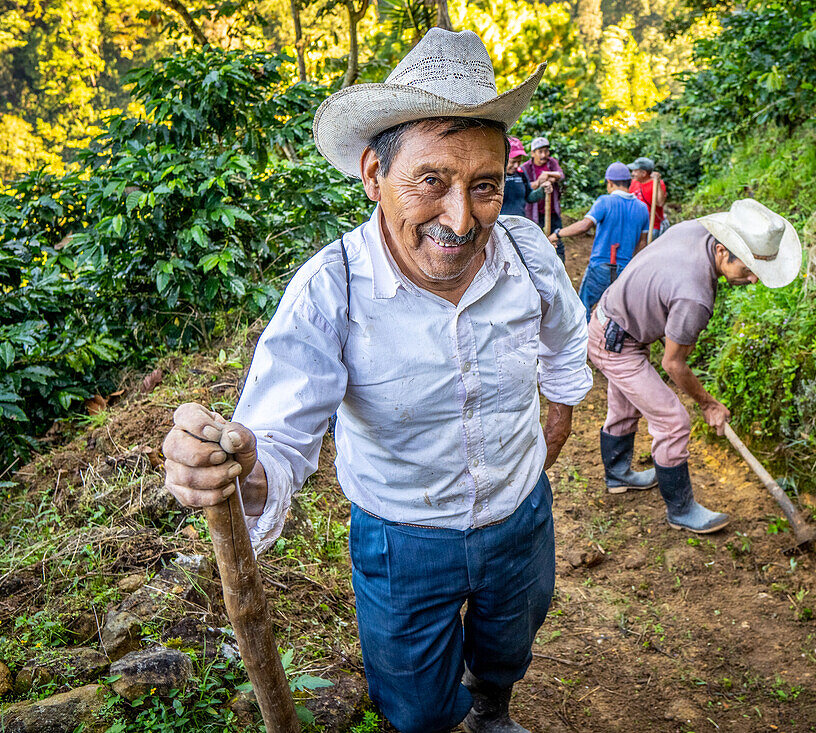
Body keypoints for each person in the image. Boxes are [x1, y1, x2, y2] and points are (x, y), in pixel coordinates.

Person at [161, 29, 591, 733]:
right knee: (415, 705)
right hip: (403, 532)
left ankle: (493, 703)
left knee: (511, 636)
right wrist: (239, 468)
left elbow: (565, 331)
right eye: (431, 182)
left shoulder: (527, 250)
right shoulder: (333, 289)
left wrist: (562, 410)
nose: (461, 218)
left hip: (519, 509)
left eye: (484, 187)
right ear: (372, 174)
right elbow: (275, 439)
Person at [587, 199, 801, 531]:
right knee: (673, 421)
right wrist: (708, 404)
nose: (753, 281)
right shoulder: (695, 295)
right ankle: (681, 511)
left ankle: (618, 475)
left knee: (627, 404)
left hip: (614, 317)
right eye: (746, 269)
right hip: (615, 341)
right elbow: (673, 363)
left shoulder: (694, 229)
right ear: (721, 251)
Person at [548, 162, 649, 320]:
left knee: (583, 307)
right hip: (625, 269)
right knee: (617, 311)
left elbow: (584, 225)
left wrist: (558, 234)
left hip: (600, 266)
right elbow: (642, 243)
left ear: (609, 183)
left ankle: (584, 341)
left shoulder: (605, 201)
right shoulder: (642, 208)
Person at [521, 136, 566, 261]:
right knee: (537, 242)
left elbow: (560, 175)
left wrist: (547, 175)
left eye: (546, 151)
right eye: (540, 152)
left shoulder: (551, 162)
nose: (544, 155)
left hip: (553, 212)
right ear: (532, 153)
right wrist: (539, 182)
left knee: (557, 241)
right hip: (534, 213)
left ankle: (560, 266)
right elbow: (526, 187)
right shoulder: (525, 168)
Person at [501, 136, 549, 217]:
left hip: (519, 222)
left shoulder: (521, 173)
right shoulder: (496, 176)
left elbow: (529, 197)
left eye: (519, 161)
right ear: (503, 158)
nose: (516, 165)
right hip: (499, 224)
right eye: (513, 162)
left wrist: (542, 190)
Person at [628, 157, 667, 238]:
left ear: (643, 173)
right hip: (635, 226)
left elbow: (660, 203)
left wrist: (658, 182)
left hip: (651, 227)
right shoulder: (634, 182)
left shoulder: (656, 184)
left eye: (635, 171)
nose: (632, 173)